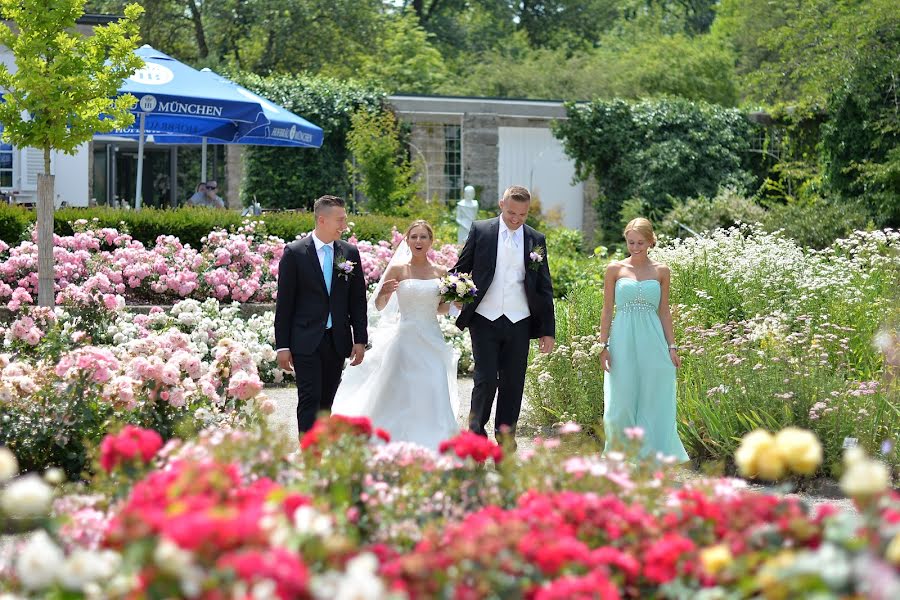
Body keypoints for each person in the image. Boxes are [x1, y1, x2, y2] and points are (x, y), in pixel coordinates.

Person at [331, 220, 459, 450]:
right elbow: (379, 305)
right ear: (407, 240)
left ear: (431, 241)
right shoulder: (399, 269)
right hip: (405, 338)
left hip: (431, 337)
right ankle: (393, 437)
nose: (418, 241)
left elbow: (440, 307)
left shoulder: (441, 272)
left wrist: (456, 302)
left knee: (433, 385)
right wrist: (385, 293)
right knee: (400, 389)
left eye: (423, 237)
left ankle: (434, 440)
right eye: (414, 237)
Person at [452, 185, 556, 449]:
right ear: (501, 204)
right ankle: (475, 440)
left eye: (522, 214)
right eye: (511, 212)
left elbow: (544, 287)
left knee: (513, 384)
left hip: (520, 321)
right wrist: (454, 291)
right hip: (484, 318)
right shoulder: (481, 230)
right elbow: (460, 269)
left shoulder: (536, 239)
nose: (516, 219)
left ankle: (506, 444)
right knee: (485, 380)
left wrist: (547, 330)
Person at [597, 217, 689, 462]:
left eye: (640, 242)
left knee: (653, 395)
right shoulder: (614, 270)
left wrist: (672, 347)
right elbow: (607, 310)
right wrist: (603, 345)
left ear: (650, 241)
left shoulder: (662, 271)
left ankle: (650, 455)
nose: (635, 247)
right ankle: (620, 455)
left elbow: (664, 311)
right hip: (623, 340)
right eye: (631, 242)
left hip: (654, 341)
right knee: (622, 398)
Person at [274, 195, 368, 433]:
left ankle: (321, 448)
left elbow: (357, 300)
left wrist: (360, 339)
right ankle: (309, 455)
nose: (344, 225)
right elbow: (285, 304)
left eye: (345, 220)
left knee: (327, 402)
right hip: (305, 341)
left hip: (337, 340)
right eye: (340, 220)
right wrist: (282, 346)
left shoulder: (349, 252)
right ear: (322, 220)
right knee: (310, 398)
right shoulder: (294, 253)